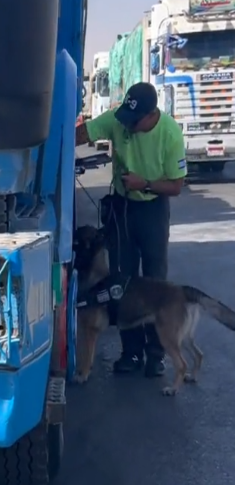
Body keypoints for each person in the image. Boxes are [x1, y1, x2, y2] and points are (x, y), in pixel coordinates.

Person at [75, 82, 186, 377]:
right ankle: (131, 353)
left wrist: (145, 184)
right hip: (123, 207)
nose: (127, 125)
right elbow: (83, 132)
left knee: (153, 278)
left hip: (152, 207)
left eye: (134, 121)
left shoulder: (170, 134)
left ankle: (155, 355)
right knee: (120, 281)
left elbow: (176, 185)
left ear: (152, 115)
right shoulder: (119, 119)